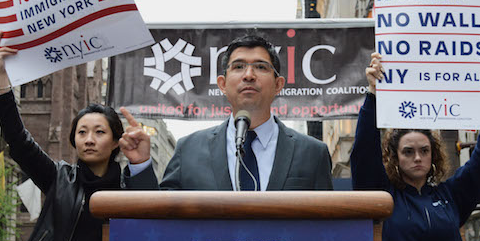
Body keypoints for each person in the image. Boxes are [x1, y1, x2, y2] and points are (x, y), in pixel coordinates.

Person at [0, 32, 139, 241]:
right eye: (82, 132)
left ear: (117, 141)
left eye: (99, 132)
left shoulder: (130, 186)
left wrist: (142, 162)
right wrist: (2, 75)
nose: (89, 140)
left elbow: (155, 216)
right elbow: (20, 142)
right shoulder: (60, 178)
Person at [350, 52, 480, 241]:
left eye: (424, 150)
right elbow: (363, 154)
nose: (418, 157)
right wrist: (373, 94)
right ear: (395, 157)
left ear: (434, 155)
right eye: (408, 152)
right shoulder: (384, 199)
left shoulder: (450, 196)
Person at [122, 34, 333, 190]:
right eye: (238, 67)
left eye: (261, 67)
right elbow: (159, 218)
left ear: (278, 85)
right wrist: (140, 165)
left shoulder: (312, 153)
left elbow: (327, 229)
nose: (249, 75)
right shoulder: (189, 150)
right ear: (222, 84)